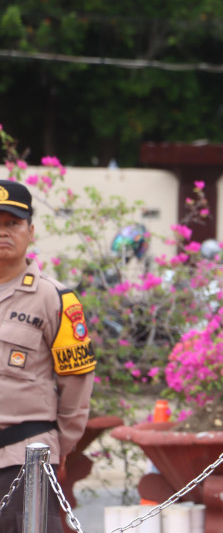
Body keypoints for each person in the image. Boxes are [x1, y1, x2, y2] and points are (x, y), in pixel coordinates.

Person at [0, 180, 96, 533]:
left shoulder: (54, 298)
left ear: (30, 231)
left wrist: (60, 446)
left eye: (12, 223)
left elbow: (76, 383)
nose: (3, 233)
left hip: (25, 459)